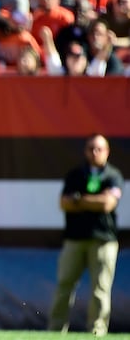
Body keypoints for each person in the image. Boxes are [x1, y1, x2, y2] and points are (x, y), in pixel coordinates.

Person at [48, 134, 122, 337]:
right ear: (85, 151)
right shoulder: (75, 175)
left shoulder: (113, 176)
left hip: (103, 241)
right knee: (64, 285)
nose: (95, 152)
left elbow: (108, 204)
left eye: (99, 148)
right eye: (91, 148)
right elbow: (64, 203)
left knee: (100, 289)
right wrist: (95, 201)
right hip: (75, 239)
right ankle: (55, 330)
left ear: (107, 151)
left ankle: (97, 331)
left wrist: (79, 200)